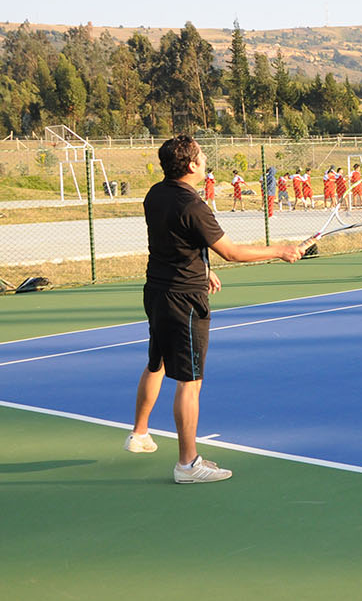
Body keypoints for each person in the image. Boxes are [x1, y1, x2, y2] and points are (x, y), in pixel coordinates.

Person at [124, 135, 304, 483]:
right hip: (184, 299)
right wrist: (279, 250)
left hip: (157, 290)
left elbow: (174, 241)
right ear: (191, 165)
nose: (205, 158)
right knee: (190, 381)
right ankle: (187, 464)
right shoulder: (193, 206)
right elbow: (232, 251)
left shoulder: (155, 195)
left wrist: (203, 269)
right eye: (201, 155)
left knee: (157, 362)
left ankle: (140, 433)